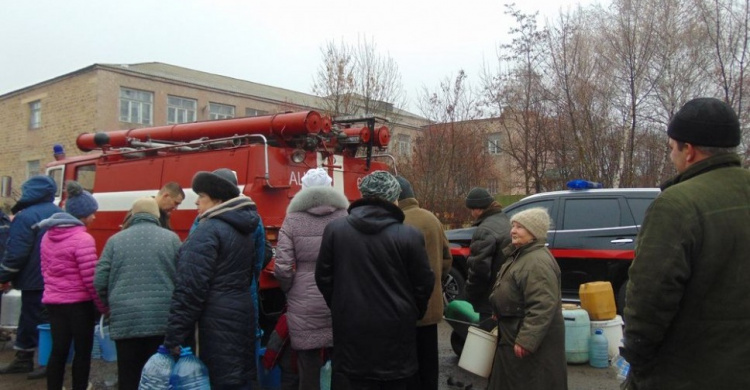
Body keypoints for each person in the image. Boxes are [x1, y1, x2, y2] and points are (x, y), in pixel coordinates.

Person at [621, 97, 750, 389]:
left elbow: (649, 299)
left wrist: (637, 359)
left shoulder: (677, 204)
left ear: (688, 151)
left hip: (689, 372)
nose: (671, 157)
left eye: (671, 148)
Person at [315, 170, 435, 389]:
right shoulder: (409, 235)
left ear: (364, 194)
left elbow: (323, 277)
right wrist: (409, 311)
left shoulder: (335, 230)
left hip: (350, 330)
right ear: (393, 198)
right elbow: (424, 283)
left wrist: (341, 306)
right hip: (396, 334)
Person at [164, 168, 260, 390]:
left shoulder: (207, 231)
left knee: (215, 378)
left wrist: (174, 336)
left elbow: (189, 288)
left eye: (202, 197)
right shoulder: (242, 230)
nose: (196, 202)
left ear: (217, 200)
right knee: (237, 376)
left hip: (212, 321)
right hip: (240, 312)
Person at [94, 197, 181, 390]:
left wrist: (108, 305)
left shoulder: (115, 241)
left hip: (126, 319)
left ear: (133, 215)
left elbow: (100, 279)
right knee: (159, 374)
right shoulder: (172, 239)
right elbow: (183, 278)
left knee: (128, 374)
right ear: (157, 215)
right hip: (161, 318)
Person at [274, 168, 347, 390]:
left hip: (303, 301)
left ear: (303, 189)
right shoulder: (345, 216)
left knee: (307, 364)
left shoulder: (292, 219)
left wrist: (289, 289)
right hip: (339, 296)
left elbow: (284, 267)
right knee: (341, 361)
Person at [488, 207, 567, 390]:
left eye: (520, 227)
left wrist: (527, 339)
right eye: (513, 226)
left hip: (528, 341)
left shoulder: (536, 262)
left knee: (531, 381)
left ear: (534, 232)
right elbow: (512, 289)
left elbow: (542, 305)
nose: (513, 231)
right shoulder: (522, 254)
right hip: (513, 331)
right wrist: (499, 309)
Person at [39, 180, 107, 390]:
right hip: (79, 305)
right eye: (92, 213)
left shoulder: (47, 236)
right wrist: (102, 306)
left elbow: (45, 270)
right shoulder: (83, 239)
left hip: (54, 303)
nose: (94, 217)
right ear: (82, 214)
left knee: (58, 350)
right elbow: (90, 279)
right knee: (82, 351)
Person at [0, 175, 61, 378]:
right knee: (50, 321)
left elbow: (16, 253)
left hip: (34, 280)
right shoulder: (60, 213)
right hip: (57, 278)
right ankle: (48, 361)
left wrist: (3, 274)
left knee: (30, 318)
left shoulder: (26, 217)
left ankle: (24, 360)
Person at [395, 176, 451, 390]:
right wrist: (437, 280)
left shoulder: (397, 221)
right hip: (431, 306)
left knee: (407, 364)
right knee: (429, 361)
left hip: (405, 307)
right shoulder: (431, 219)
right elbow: (447, 259)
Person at [464, 187, 512, 328]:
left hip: (489, 299)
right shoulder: (506, 221)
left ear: (477, 209)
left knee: (488, 340)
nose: (472, 214)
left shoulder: (484, 230)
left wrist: (468, 296)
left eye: (471, 210)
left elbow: (479, 270)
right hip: (507, 294)